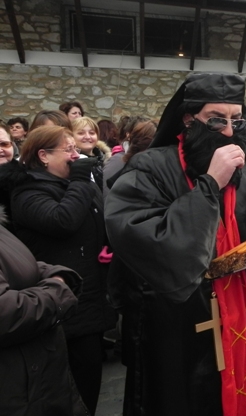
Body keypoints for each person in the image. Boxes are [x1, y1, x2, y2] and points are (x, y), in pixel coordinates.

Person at [104, 73, 246, 416]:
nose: (229, 132)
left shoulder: (245, 171)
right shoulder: (151, 167)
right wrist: (210, 184)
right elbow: (142, 238)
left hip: (235, 308)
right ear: (188, 119)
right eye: (216, 120)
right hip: (173, 323)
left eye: (236, 121)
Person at [8, 126, 114, 415]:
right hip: (61, 306)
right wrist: (80, 180)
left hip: (89, 298)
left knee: (89, 380)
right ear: (43, 156)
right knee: (69, 389)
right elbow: (62, 221)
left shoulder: (74, 185)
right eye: (68, 150)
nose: (75, 155)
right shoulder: (28, 191)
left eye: (75, 149)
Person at [0, 205, 86, 416]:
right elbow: (5, 313)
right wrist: (57, 290)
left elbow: (19, 264)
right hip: (19, 391)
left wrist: (54, 273)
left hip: (39, 380)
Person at [72, 116, 111, 190]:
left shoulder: (107, 159)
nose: (87, 137)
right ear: (71, 136)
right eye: (81, 133)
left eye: (92, 133)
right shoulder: (70, 163)